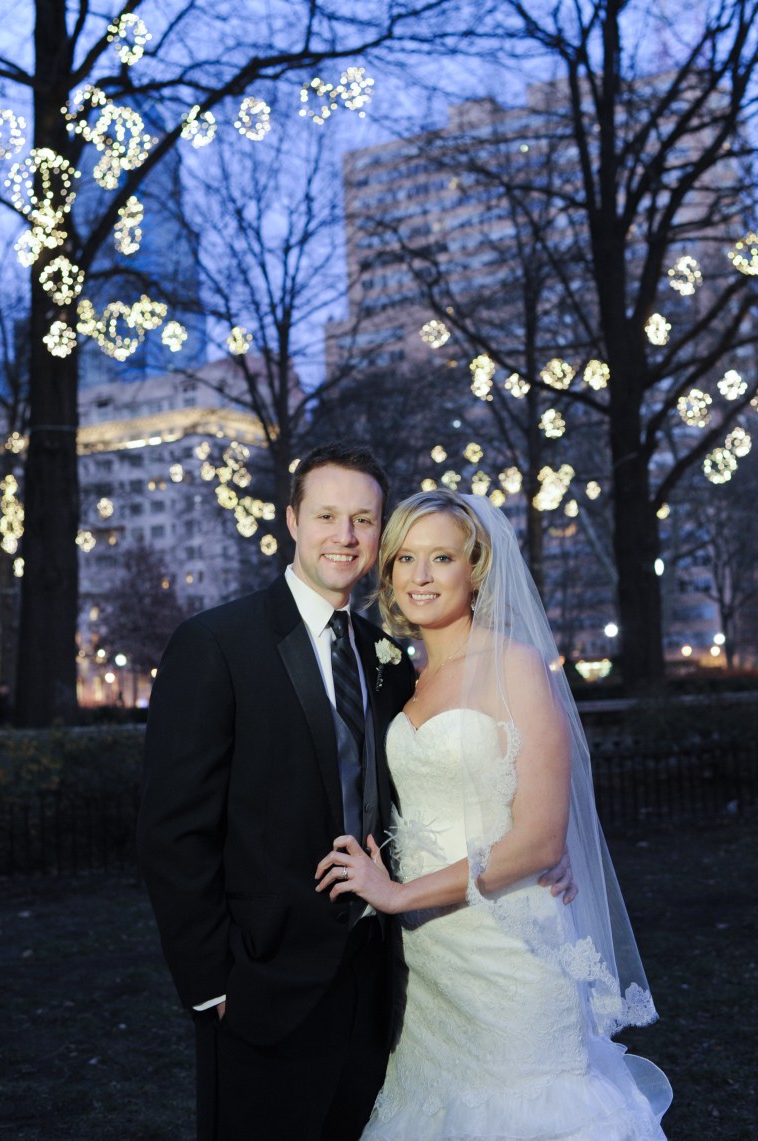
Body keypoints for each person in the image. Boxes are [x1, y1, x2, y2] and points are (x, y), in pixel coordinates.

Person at [137, 446, 574, 1141]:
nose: (344, 535)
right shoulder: (216, 644)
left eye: (363, 519)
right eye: (327, 515)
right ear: (291, 520)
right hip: (262, 990)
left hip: (387, 989)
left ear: (377, 537)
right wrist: (214, 985)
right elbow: (172, 834)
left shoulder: (389, 658)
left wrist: (538, 850)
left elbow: (451, 782)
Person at [316, 489, 673, 1140]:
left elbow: (538, 838)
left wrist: (396, 894)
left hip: (512, 952)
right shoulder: (404, 680)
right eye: (405, 559)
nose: (420, 576)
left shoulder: (517, 665)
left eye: (442, 557)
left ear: (475, 568)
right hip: (430, 970)